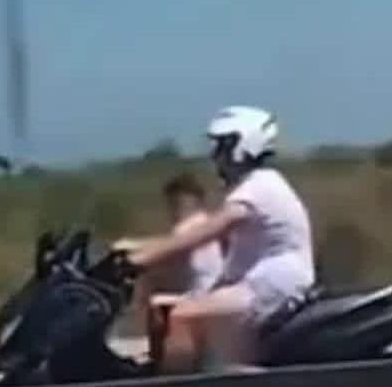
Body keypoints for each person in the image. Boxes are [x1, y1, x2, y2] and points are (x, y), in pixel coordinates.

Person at [114, 106, 316, 374]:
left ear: (243, 146)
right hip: (253, 282)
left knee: (181, 317)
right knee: (160, 307)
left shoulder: (258, 188)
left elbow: (204, 233)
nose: (215, 155)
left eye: (222, 147)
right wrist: (132, 252)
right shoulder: (254, 185)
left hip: (272, 286)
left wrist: (138, 260)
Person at [138, 173, 223, 364]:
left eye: (175, 203)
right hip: (209, 293)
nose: (172, 209)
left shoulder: (189, 226)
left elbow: (162, 254)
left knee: (154, 301)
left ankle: (162, 363)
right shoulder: (207, 223)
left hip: (202, 296)